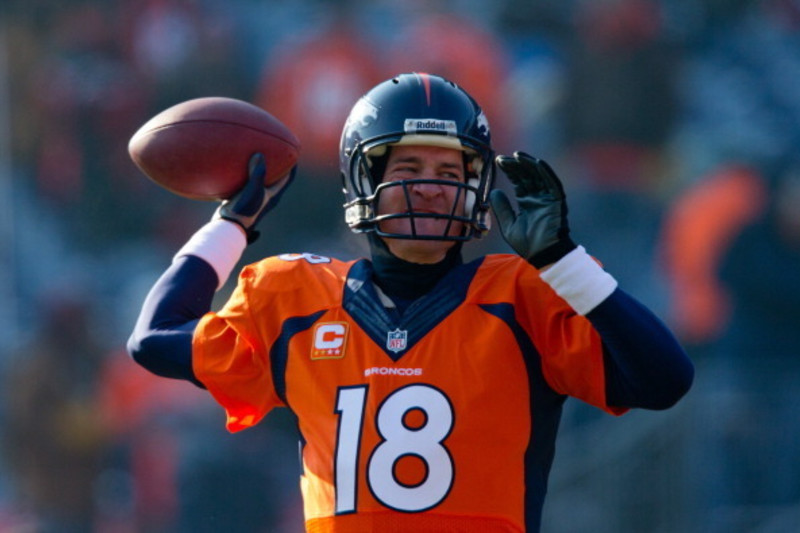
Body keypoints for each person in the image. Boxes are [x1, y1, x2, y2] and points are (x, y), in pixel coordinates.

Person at [128, 73, 694, 532]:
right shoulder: (293, 297)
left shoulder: (524, 293)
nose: (430, 186)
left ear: (476, 189)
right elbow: (153, 340)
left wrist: (563, 259)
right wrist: (231, 226)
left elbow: (664, 380)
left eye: (450, 171)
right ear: (362, 181)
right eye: (408, 168)